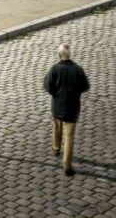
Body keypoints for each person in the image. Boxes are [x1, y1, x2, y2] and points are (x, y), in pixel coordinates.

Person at [43, 42, 90, 176]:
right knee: (69, 136)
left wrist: (55, 93)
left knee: (57, 127)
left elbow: (48, 86)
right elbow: (85, 86)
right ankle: (67, 165)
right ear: (70, 55)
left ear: (59, 55)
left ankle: (56, 148)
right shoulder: (78, 69)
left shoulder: (55, 69)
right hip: (72, 107)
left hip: (58, 105)